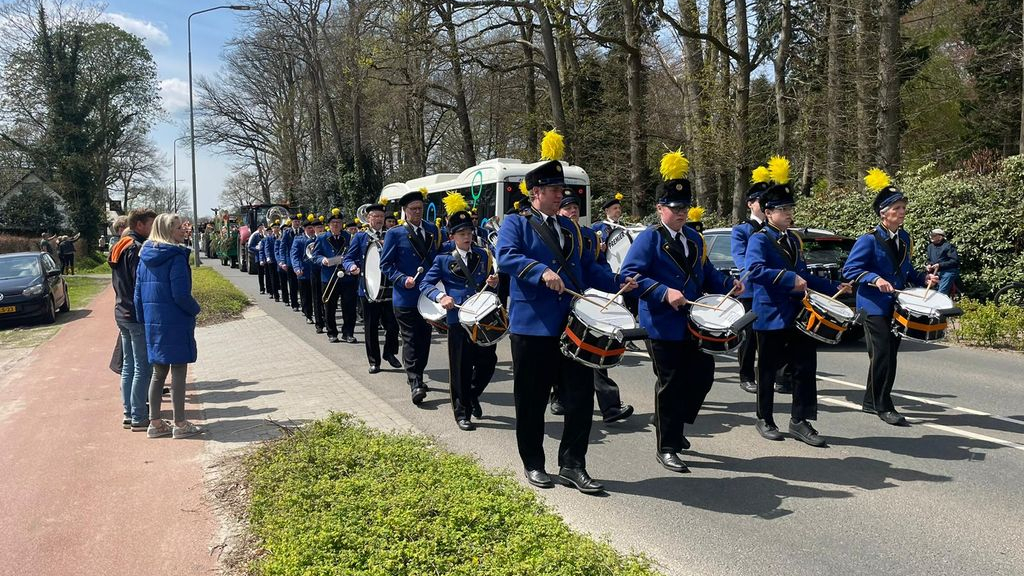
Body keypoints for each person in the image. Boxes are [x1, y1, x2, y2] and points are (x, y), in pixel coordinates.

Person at [497, 141, 637, 494]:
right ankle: (534, 463)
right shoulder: (516, 223)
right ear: (537, 192)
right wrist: (540, 271)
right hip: (532, 327)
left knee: (580, 399)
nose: (562, 195)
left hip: (571, 326)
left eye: (562, 190)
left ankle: (573, 465)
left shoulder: (572, 228)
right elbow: (507, 256)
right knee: (531, 400)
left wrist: (619, 282)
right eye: (555, 190)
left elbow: (588, 269)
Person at [619, 150, 741, 474]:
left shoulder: (694, 239)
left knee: (703, 374)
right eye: (675, 208)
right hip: (661, 323)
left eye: (685, 207)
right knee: (671, 383)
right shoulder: (649, 238)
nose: (681, 213)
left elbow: (706, 273)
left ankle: (670, 421)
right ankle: (668, 446)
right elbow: (629, 276)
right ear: (660, 208)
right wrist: (663, 292)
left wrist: (728, 284)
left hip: (692, 321)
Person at [744, 158, 850, 447]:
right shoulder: (759, 239)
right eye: (783, 209)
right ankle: (764, 418)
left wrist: (834, 286)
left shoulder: (793, 240)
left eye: (790, 209)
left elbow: (804, 275)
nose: (789, 214)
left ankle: (800, 421)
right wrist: (788, 278)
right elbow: (754, 271)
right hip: (770, 315)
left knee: (805, 367)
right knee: (767, 370)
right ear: (768, 213)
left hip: (800, 314)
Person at [843, 168, 939, 427]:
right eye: (897, 208)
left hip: (895, 305)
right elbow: (850, 270)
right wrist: (875, 279)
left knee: (888, 354)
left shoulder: (905, 238)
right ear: (883, 213)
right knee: (883, 353)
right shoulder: (868, 240)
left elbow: (905, 270)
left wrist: (924, 279)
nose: (902, 212)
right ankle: (883, 404)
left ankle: (870, 400)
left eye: (903, 207)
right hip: (872, 306)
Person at [550, 190, 634, 424]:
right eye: (567, 208)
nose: (572, 211)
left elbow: (598, 267)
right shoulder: (551, 232)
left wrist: (616, 282)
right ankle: (559, 395)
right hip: (560, 299)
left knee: (595, 349)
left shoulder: (589, 236)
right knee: (561, 351)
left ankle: (610, 406)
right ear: (559, 211)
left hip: (588, 300)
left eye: (575, 207)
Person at [419, 197, 500, 431]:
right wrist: (441, 297)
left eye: (469, 232)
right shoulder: (443, 260)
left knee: (488, 363)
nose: (467, 237)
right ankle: (462, 412)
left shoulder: (483, 255)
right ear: (452, 236)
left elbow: (490, 286)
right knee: (461, 368)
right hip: (458, 320)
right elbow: (425, 284)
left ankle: (473, 394)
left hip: (482, 317)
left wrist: (493, 283)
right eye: (462, 233)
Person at [134, 213, 203, 439]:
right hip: (175, 320)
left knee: (158, 372)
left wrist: (144, 319)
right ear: (167, 232)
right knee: (179, 371)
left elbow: (137, 295)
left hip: (154, 321)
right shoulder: (176, 257)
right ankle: (180, 423)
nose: (183, 231)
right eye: (177, 228)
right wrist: (195, 309)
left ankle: (155, 423)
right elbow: (181, 294)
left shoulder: (144, 256)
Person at [381, 190, 442, 404]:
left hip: (428, 296)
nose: (417, 212)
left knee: (424, 338)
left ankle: (418, 374)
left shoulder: (433, 230)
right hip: (405, 297)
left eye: (420, 208)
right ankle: (415, 381)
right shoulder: (395, 234)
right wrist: (401, 278)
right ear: (405, 211)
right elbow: (385, 265)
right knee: (410, 339)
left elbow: (438, 258)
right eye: (413, 209)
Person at [109, 209, 157, 431]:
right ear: (139, 225)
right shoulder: (136, 249)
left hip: (121, 311)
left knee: (128, 365)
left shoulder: (119, 246)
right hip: (135, 314)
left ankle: (128, 413)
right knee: (142, 366)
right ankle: (139, 417)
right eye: (151, 224)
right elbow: (141, 284)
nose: (153, 228)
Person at [343, 204, 401, 373]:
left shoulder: (391, 235)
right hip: (368, 288)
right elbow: (348, 258)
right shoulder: (360, 237)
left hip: (389, 287)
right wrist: (351, 267)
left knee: (393, 324)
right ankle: (374, 361)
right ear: (368, 218)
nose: (379, 219)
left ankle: (389, 353)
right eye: (375, 216)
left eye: (381, 216)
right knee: (371, 327)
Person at [730, 167, 770, 394]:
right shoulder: (742, 230)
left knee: (770, 336)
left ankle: (770, 375)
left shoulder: (775, 229)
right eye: (759, 201)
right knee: (749, 337)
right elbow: (740, 257)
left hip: (773, 289)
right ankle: (746, 375)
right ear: (750, 204)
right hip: (752, 289)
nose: (763, 205)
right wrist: (754, 271)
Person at [311, 209, 356, 343]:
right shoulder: (322, 238)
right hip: (329, 277)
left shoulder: (349, 237)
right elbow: (315, 256)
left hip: (347, 277)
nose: (336, 225)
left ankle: (348, 333)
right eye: (333, 222)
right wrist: (322, 260)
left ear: (342, 224)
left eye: (338, 222)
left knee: (349, 307)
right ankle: (332, 332)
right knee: (329, 307)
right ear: (329, 224)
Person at [290, 215, 318, 324]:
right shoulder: (298, 239)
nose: (312, 230)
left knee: (317, 295)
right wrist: (297, 267)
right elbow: (295, 255)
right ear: (304, 229)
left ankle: (320, 316)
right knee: (306, 295)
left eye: (313, 228)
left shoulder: (318, 238)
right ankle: (308, 315)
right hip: (304, 272)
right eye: (309, 228)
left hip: (317, 271)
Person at [277, 217, 301, 310]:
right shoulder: (287, 232)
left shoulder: (302, 231)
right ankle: (294, 304)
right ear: (292, 222)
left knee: (302, 284)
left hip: (301, 261)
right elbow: (282, 247)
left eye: (298, 221)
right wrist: (283, 261)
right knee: (292, 283)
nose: (297, 223)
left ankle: (304, 303)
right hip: (290, 261)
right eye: (295, 221)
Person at [926, 229, 959, 295]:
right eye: (931, 235)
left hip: (948, 271)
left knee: (941, 292)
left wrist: (940, 265)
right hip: (936, 272)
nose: (931, 237)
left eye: (933, 235)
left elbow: (954, 261)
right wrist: (929, 265)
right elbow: (929, 260)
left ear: (940, 237)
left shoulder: (948, 246)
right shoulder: (930, 247)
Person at [309, 217, 327, 333]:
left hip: (326, 271)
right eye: (318, 227)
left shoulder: (326, 238)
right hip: (315, 271)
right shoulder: (309, 240)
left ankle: (327, 320)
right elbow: (306, 256)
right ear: (314, 229)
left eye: (321, 227)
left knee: (327, 297)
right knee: (316, 298)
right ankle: (319, 323)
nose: (320, 229)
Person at [262, 222, 281, 301]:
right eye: (274, 228)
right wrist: (268, 257)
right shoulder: (269, 238)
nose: (276, 229)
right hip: (272, 260)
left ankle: (283, 293)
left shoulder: (281, 237)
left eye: (277, 227)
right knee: (273, 277)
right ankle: (275, 294)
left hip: (280, 260)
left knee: (280, 277)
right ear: (272, 229)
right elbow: (267, 248)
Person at [248, 224, 266, 294]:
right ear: (258, 229)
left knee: (268, 274)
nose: (262, 229)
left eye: (263, 228)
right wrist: (257, 248)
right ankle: (262, 288)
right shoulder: (255, 236)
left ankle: (269, 288)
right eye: (260, 228)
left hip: (266, 257)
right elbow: (250, 246)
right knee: (260, 274)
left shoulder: (266, 235)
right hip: (258, 257)